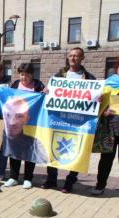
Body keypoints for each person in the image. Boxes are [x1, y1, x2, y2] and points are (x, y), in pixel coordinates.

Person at [42, 47, 96, 193]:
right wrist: (47, 91)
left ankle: (69, 182)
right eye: (71, 55)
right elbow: (50, 91)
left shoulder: (90, 78)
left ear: (82, 58)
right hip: (59, 120)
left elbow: (94, 98)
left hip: (79, 123)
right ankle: (51, 180)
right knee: (52, 149)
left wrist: (98, 98)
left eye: (76, 56)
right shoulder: (59, 76)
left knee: (77, 151)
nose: (73, 58)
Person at [3, 63, 47, 189]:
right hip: (15, 122)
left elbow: (43, 100)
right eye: (22, 75)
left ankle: (28, 178)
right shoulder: (15, 84)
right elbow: (8, 99)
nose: (24, 78)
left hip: (32, 123)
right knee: (14, 150)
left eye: (27, 75)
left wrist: (45, 93)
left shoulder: (38, 85)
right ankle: (13, 177)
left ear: (32, 75)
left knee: (30, 151)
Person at [92, 62, 119, 195]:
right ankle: (100, 185)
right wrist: (103, 110)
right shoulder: (108, 84)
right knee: (106, 159)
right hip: (110, 129)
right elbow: (96, 103)